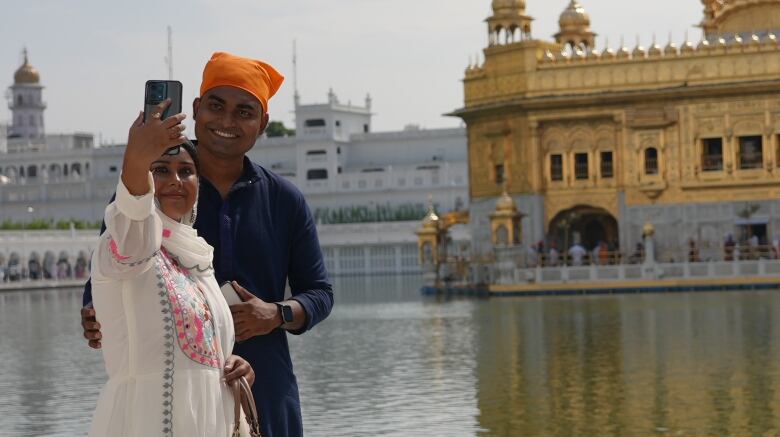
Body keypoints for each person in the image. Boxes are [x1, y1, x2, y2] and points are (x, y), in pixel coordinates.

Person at [82, 52, 334, 437]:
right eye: (216, 106)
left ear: (262, 123)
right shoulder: (149, 193)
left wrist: (277, 313)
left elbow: (319, 292)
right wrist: (94, 312)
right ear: (196, 109)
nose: (227, 121)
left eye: (244, 112)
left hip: (264, 383)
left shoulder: (284, 199)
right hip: (177, 394)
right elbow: (116, 260)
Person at [88, 105, 254, 436]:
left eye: (186, 171)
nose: (176, 181)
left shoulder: (199, 259)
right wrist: (136, 158)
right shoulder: (127, 247)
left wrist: (237, 367)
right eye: (161, 169)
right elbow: (133, 218)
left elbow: (209, 357)